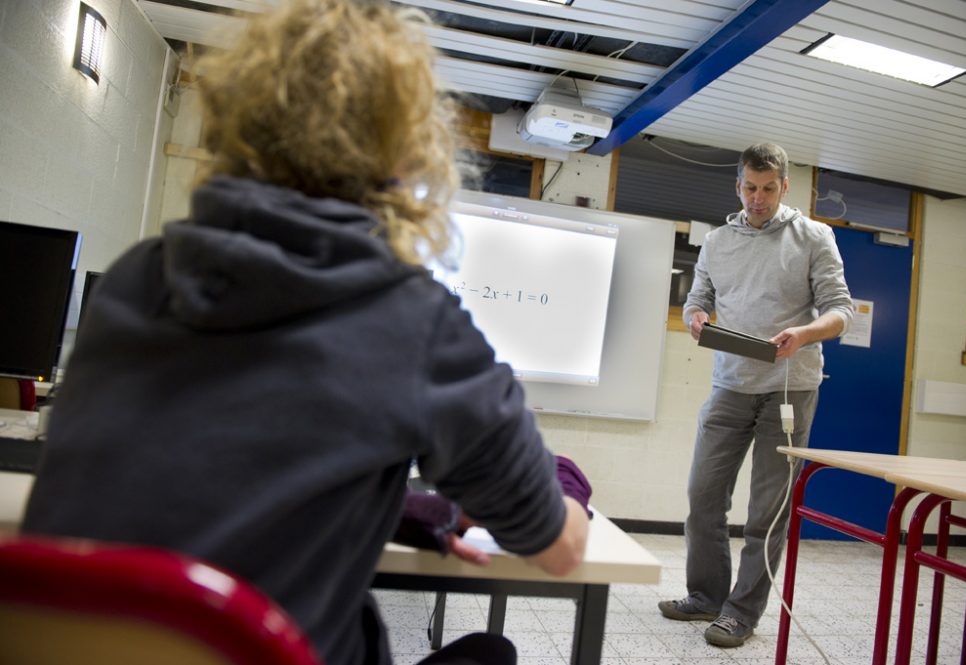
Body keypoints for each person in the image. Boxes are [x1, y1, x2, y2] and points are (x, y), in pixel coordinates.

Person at [20, 2, 589, 664]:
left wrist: (408, 510)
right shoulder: (412, 321)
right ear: (403, 155)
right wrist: (565, 481)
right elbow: (560, 547)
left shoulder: (135, 279)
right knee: (492, 653)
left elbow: (225, 468)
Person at [658, 143, 853, 648]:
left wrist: (805, 334)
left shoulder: (815, 236)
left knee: (767, 510)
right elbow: (697, 299)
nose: (758, 198)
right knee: (703, 497)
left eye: (768, 189)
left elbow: (841, 309)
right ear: (738, 185)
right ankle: (705, 597)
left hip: (790, 390)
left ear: (785, 186)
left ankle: (740, 613)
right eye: (750, 187)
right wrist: (695, 317)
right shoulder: (718, 241)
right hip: (730, 386)